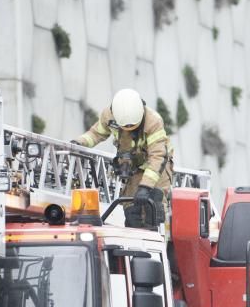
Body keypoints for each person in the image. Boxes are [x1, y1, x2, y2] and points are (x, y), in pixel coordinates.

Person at [72, 89, 174, 229]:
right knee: (131, 209)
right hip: (135, 165)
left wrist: (145, 186)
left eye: (132, 126)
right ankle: (134, 241)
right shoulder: (109, 116)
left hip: (159, 165)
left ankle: (155, 239)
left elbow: (158, 156)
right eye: (125, 126)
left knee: (153, 205)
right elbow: (95, 134)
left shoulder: (153, 121)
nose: (128, 128)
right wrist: (79, 142)